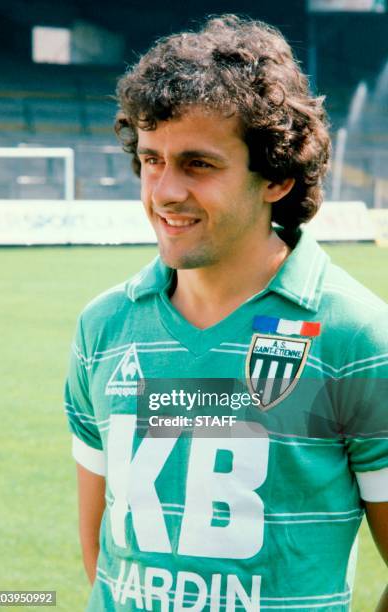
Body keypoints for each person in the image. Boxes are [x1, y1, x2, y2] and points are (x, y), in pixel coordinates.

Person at [64, 14, 388, 611]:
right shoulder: (102, 327)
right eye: (152, 158)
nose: (163, 190)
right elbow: (107, 558)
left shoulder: (357, 337)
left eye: (199, 164)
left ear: (277, 177)